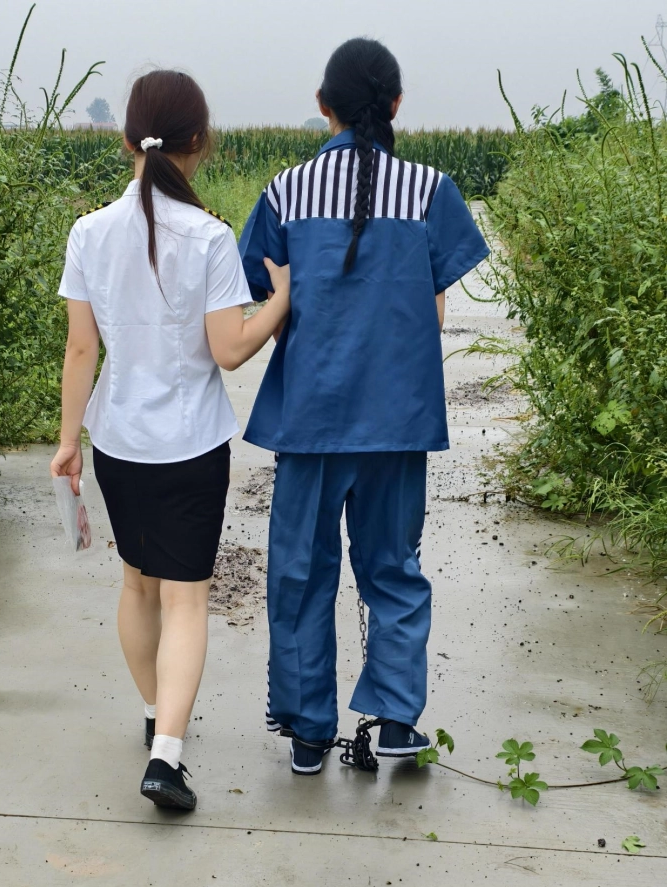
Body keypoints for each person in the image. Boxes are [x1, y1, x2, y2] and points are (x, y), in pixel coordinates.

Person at [238, 38, 489, 775]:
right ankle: (399, 718)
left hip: (311, 418)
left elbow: (269, 299)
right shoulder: (431, 190)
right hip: (398, 419)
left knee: (299, 573)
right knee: (393, 568)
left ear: (323, 105)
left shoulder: (285, 193)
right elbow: (433, 311)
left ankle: (309, 730)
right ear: (396, 105)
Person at [51, 70, 290, 810]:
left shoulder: (89, 232)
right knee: (187, 601)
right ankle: (167, 757)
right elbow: (229, 349)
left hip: (118, 442)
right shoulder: (211, 237)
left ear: (127, 140)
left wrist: (67, 441)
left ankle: (157, 713)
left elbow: (81, 350)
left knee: (137, 585)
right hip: (190, 446)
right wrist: (281, 302)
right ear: (200, 142)